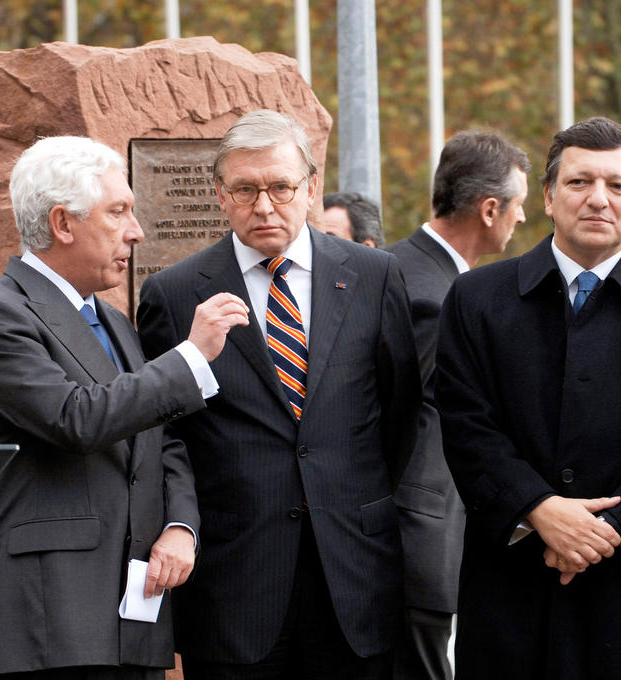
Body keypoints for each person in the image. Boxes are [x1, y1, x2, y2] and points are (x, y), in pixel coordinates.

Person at [435, 117, 621, 680]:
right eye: (579, 183)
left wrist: (601, 536)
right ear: (548, 196)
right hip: (512, 582)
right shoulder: (477, 300)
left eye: (618, 186)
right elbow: (466, 425)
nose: (599, 199)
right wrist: (539, 511)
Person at [137, 109, 421, 680]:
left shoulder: (375, 276)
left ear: (311, 187)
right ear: (219, 194)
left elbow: (400, 412)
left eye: (281, 187)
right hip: (234, 581)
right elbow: (165, 430)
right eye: (245, 189)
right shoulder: (172, 295)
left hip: (354, 574)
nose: (263, 205)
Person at [0, 136, 248, 679]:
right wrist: (190, 356)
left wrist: (181, 526)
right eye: (117, 212)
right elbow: (76, 418)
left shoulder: (115, 322)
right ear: (62, 224)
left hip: (131, 619)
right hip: (46, 626)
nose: (136, 232)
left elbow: (161, 436)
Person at [386, 130, 530, 680]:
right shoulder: (433, 292)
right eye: (517, 207)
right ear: (490, 209)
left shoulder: (416, 268)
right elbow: (404, 415)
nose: (520, 221)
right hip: (419, 535)